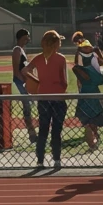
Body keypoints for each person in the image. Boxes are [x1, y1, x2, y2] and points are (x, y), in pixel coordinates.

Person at [24, 30, 69, 169]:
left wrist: (37, 81)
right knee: (56, 131)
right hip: (58, 98)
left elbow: (25, 71)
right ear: (56, 44)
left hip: (43, 97)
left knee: (43, 130)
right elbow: (64, 81)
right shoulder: (61, 59)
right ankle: (56, 159)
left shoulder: (38, 58)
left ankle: (40, 160)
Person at [73, 40, 103, 152]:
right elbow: (102, 64)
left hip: (85, 95)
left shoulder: (78, 69)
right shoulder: (100, 73)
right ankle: (94, 140)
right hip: (94, 96)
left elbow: (77, 66)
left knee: (87, 122)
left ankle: (92, 143)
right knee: (92, 120)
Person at [11, 29, 37, 139]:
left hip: (23, 82)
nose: (28, 40)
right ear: (22, 37)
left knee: (28, 107)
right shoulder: (17, 50)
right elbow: (16, 70)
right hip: (20, 82)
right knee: (27, 107)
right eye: (27, 37)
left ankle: (32, 131)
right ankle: (31, 133)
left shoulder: (22, 50)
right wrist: (23, 83)